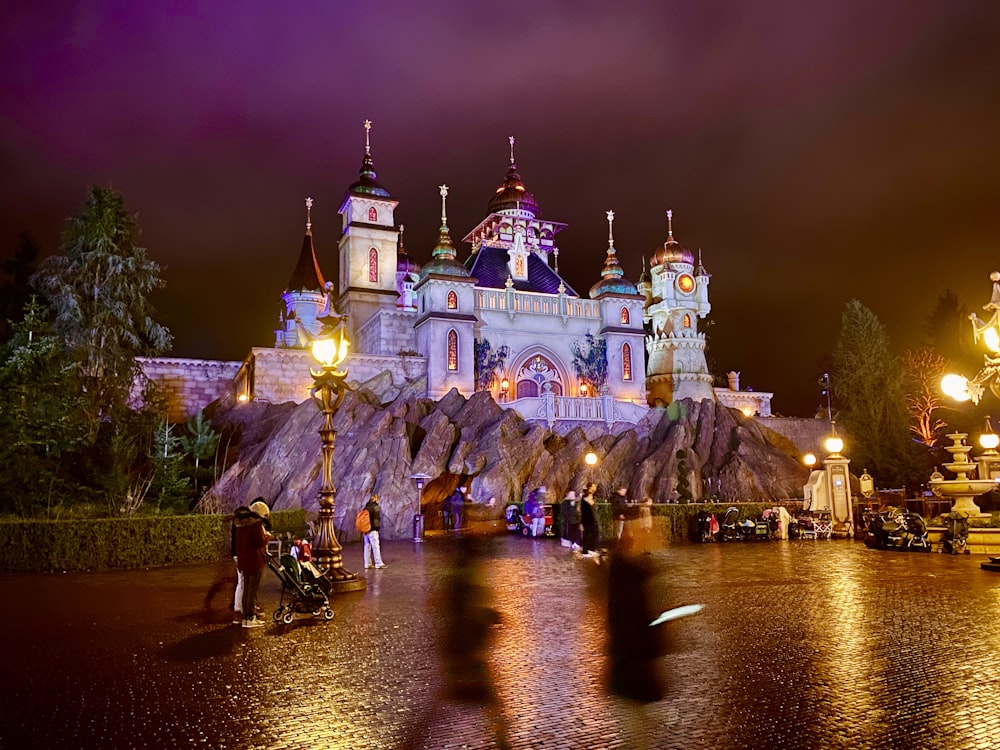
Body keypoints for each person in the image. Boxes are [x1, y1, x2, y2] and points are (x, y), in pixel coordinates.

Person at [607, 532, 669, 749]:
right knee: (636, 735)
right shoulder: (632, 587)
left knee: (634, 732)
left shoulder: (619, 583)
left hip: (627, 673)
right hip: (633, 672)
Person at [235, 498, 271, 628]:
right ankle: (251, 617)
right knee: (253, 590)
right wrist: (267, 537)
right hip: (255, 560)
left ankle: (246, 617)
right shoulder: (255, 525)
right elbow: (259, 542)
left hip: (244, 560)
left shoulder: (241, 524)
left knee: (246, 589)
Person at [229, 504, 250, 625]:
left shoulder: (236, 525)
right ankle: (239, 609)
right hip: (241, 555)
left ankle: (239, 607)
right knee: (242, 582)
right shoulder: (241, 527)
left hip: (236, 555)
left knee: (241, 581)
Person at [363, 493, 387, 569]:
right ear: (376, 499)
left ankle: (367, 563)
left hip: (366, 529)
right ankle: (378, 563)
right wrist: (377, 528)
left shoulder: (366, 506)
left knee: (367, 546)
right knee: (375, 546)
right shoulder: (375, 507)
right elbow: (376, 519)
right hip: (372, 529)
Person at [580, 482, 600, 558]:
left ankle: (591, 549)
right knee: (587, 535)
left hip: (592, 520)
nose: (595, 487)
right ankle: (585, 551)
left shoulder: (592, 496)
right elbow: (583, 511)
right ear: (590, 487)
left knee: (594, 534)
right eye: (594, 486)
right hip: (587, 520)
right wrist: (581, 522)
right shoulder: (585, 498)